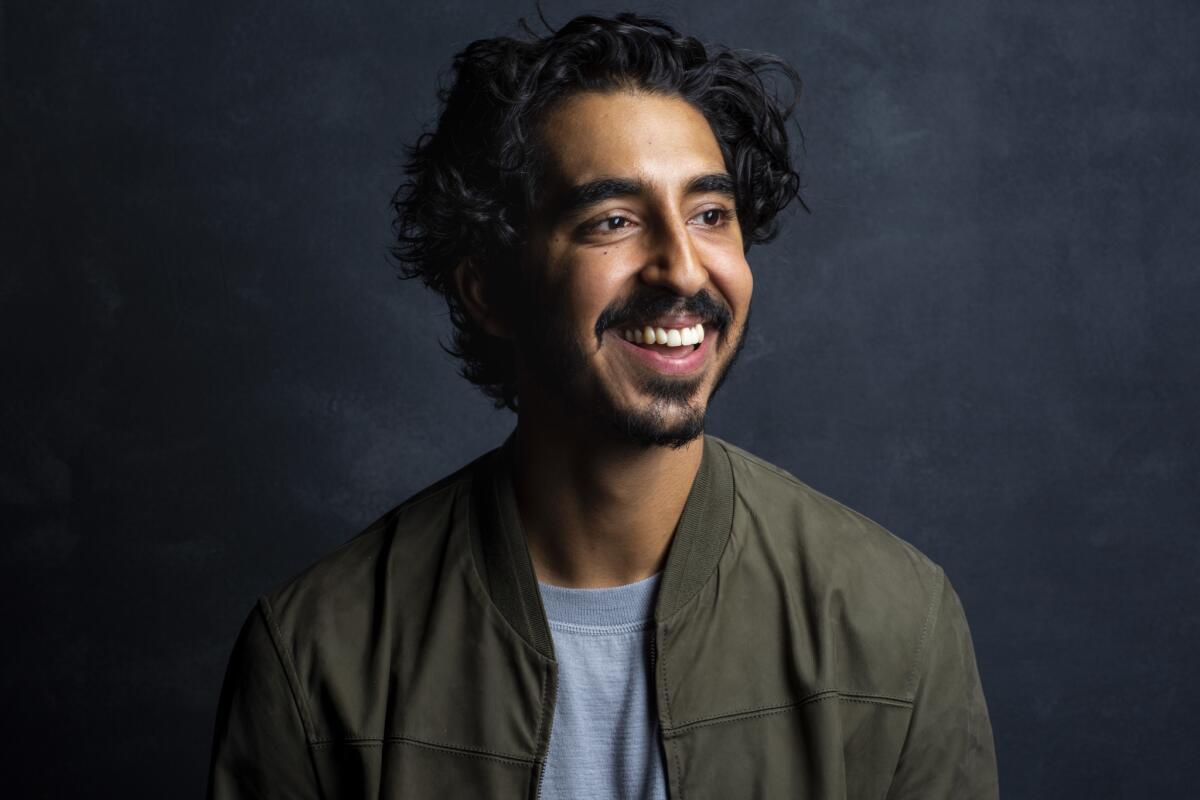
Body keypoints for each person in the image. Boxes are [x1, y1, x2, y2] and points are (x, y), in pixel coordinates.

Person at [207, 11, 998, 799]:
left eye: (710, 215)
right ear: (490, 290)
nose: (682, 269)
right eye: (613, 221)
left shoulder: (896, 623)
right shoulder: (317, 655)